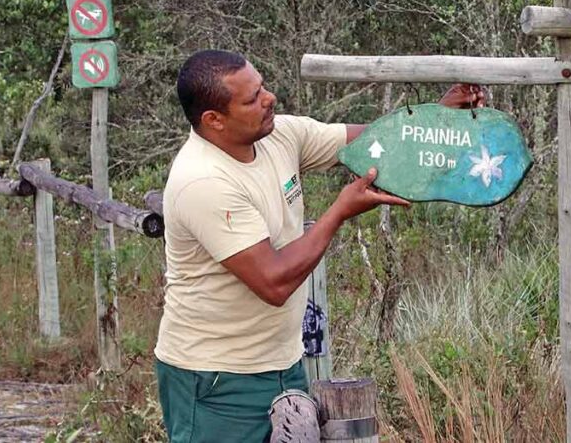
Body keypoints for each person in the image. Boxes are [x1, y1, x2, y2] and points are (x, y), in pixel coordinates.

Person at [154, 49, 484, 442]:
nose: (269, 99)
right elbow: (273, 283)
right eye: (252, 98)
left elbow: (374, 142)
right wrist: (339, 212)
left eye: (263, 88)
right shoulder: (203, 180)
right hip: (215, 378)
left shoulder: (280, 135)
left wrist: (438, 117)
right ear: (214, 120)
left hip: (282, 365)